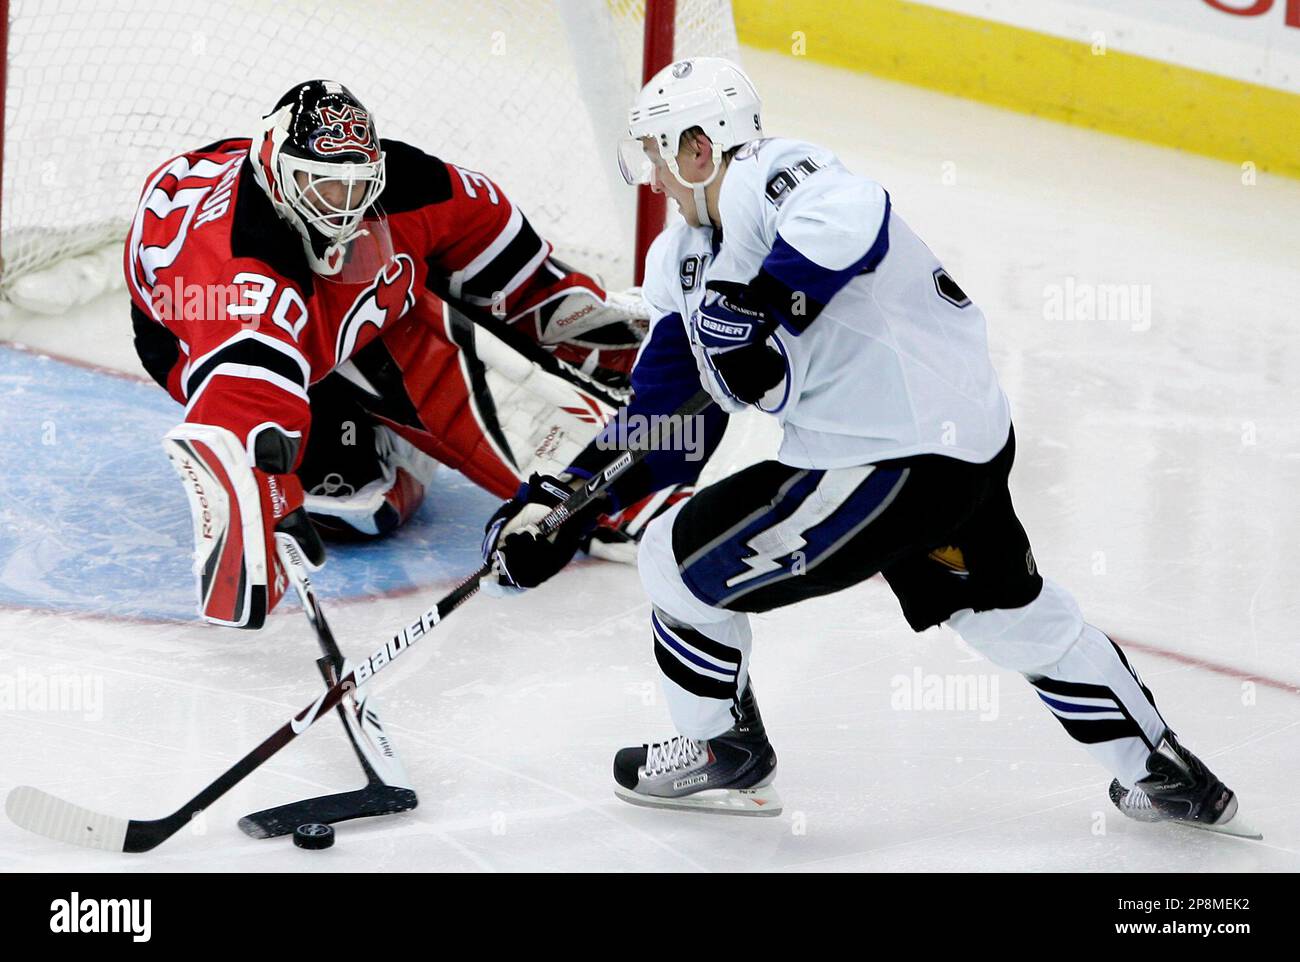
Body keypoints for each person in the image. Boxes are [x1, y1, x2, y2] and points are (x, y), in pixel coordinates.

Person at [481, 59, 1254, 836]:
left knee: (671, 563)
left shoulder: (776, 175)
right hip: (953, 450)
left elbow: (852, 214)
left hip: (887, 462)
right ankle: (1162, 771)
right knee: (1004, 613)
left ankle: (725, 754)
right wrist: (563, 502)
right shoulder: (682, 258)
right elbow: (667, 423)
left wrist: (762, 306)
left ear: (699, 147)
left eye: (656, 151)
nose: (650, 176)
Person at [126, 79, 675, 630]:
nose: (340, 207)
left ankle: (581, 447)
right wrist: (269, 493)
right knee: (360, 503)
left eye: (354, 187)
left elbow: (492, 232)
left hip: (291, 307)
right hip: (188, 336)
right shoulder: (240, 271)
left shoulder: (410, 182)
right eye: (320, 187)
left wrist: (555, 303)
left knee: (403, 288)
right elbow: (243, 411)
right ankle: (397, 428)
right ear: (275, 168)